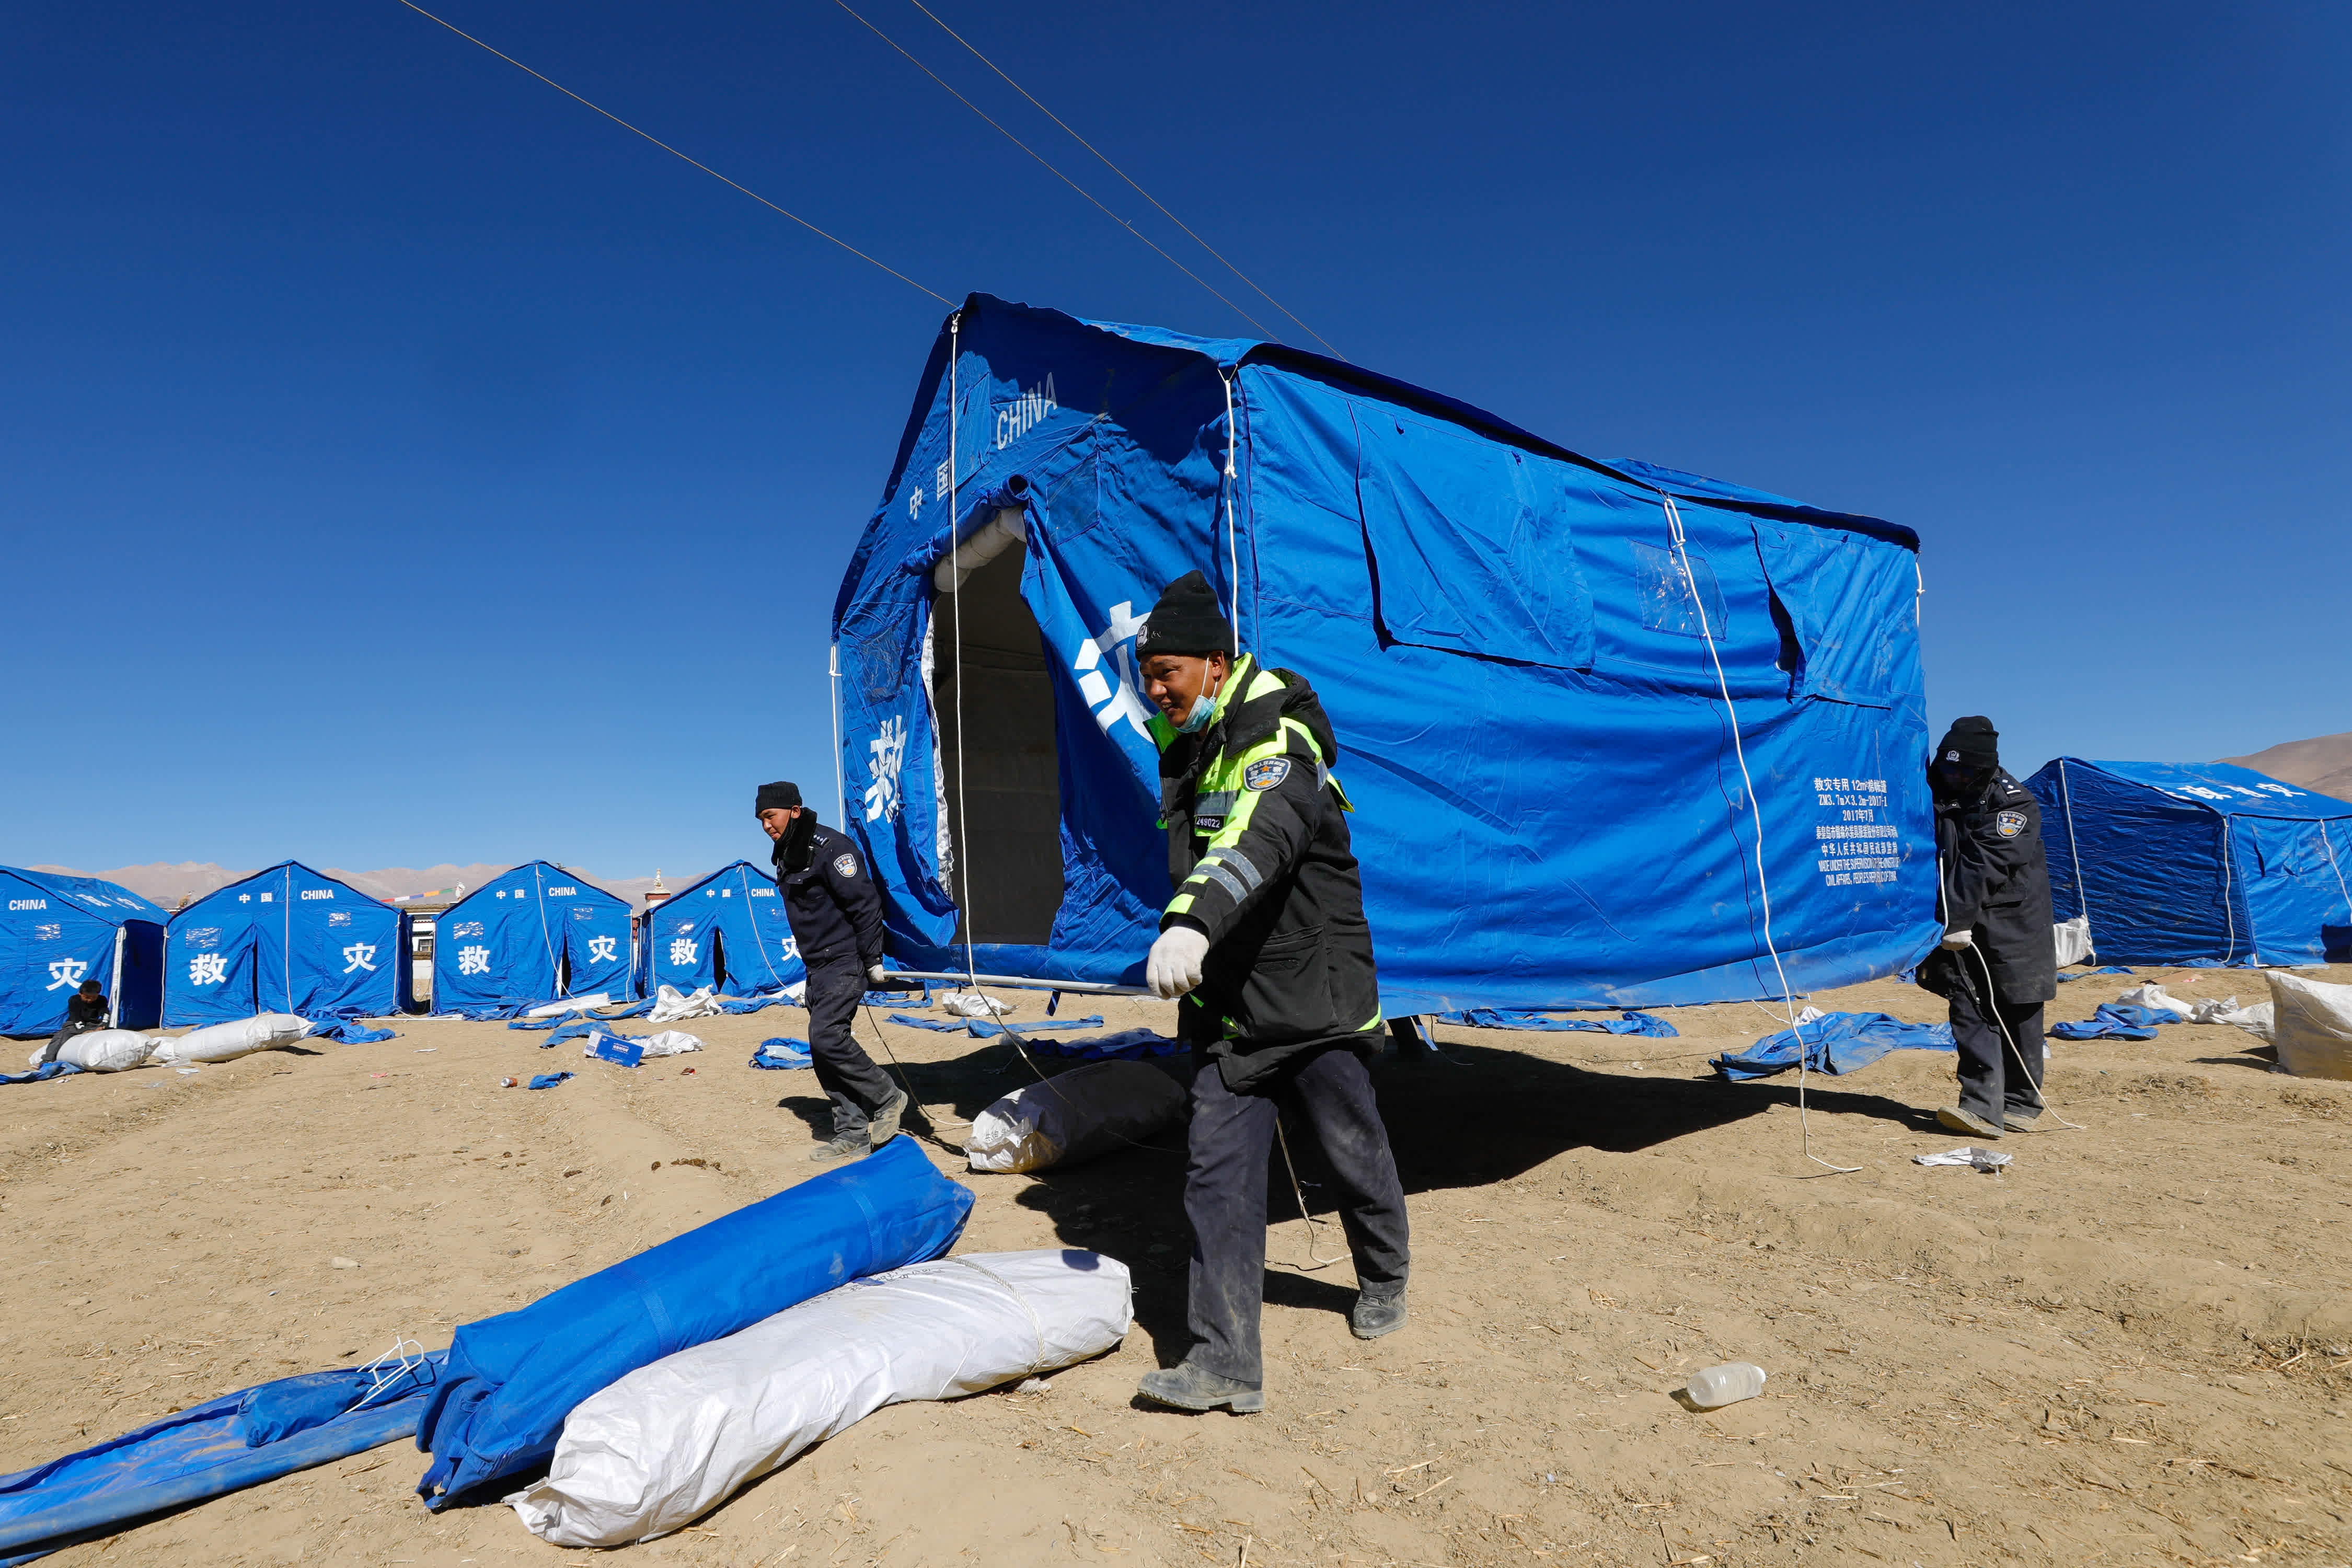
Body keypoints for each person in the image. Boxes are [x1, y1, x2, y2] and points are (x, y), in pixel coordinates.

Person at [1129, 570, 1411, 1416]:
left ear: (1215, 665)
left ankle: (1385, 1275)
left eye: (1167, 673)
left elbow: (1260, 840)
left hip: (1312, 999)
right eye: (1147, 677)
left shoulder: (1278, 739)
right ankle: (1226, 1363)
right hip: (1232, 1009)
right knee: (1215, 1177)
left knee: (1353, 1151)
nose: (1155, 691)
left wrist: (1190, 924)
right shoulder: (1191, 749)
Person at [1918, 716, 2056, 1138]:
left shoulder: (2014, 805)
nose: (1955, 779)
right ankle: (1980, 1108)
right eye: (1949, 769)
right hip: (1957, 916)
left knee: (2018, 1009)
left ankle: (2021, 1103)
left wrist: (1956, 920)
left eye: (1965, 773)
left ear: (1985, 770)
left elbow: (1982, 865)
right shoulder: (1933, 789)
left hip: (2013, 920)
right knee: (1968, 1005)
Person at [755, 780, 907, 1160]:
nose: (766, 825)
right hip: (816, 965)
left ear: (794, 811)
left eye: (770, 816)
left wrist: (872, 959)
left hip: (844, 958)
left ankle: (888, 1097)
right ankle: (852, 1133)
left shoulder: (832, 848)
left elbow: (865, 903)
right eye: (760, 820)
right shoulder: (786, 854)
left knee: (826, 1037)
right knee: (823, 1051)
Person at [39, 980, 109, 1064]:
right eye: (87, 997)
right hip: (73, 1024)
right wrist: (84, 1030)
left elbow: (105, 1014)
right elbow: (75, 1017)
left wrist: (103, 1026)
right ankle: (47, 1059)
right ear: (80, 994)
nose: (90, 1000)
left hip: (93, 1024)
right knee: (62, 1036)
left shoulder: (102, 1000)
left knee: (111, 1032)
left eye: (94, 997)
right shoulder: (74, 1000)